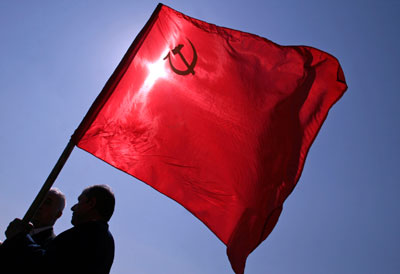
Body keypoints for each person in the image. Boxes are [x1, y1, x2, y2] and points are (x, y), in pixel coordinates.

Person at [2, 184, 115, 274]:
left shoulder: (88, 236)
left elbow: (48, 267)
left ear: (91, 203)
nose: (73, 208)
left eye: (79, 201)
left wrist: (19, 237)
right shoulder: (101, 238)